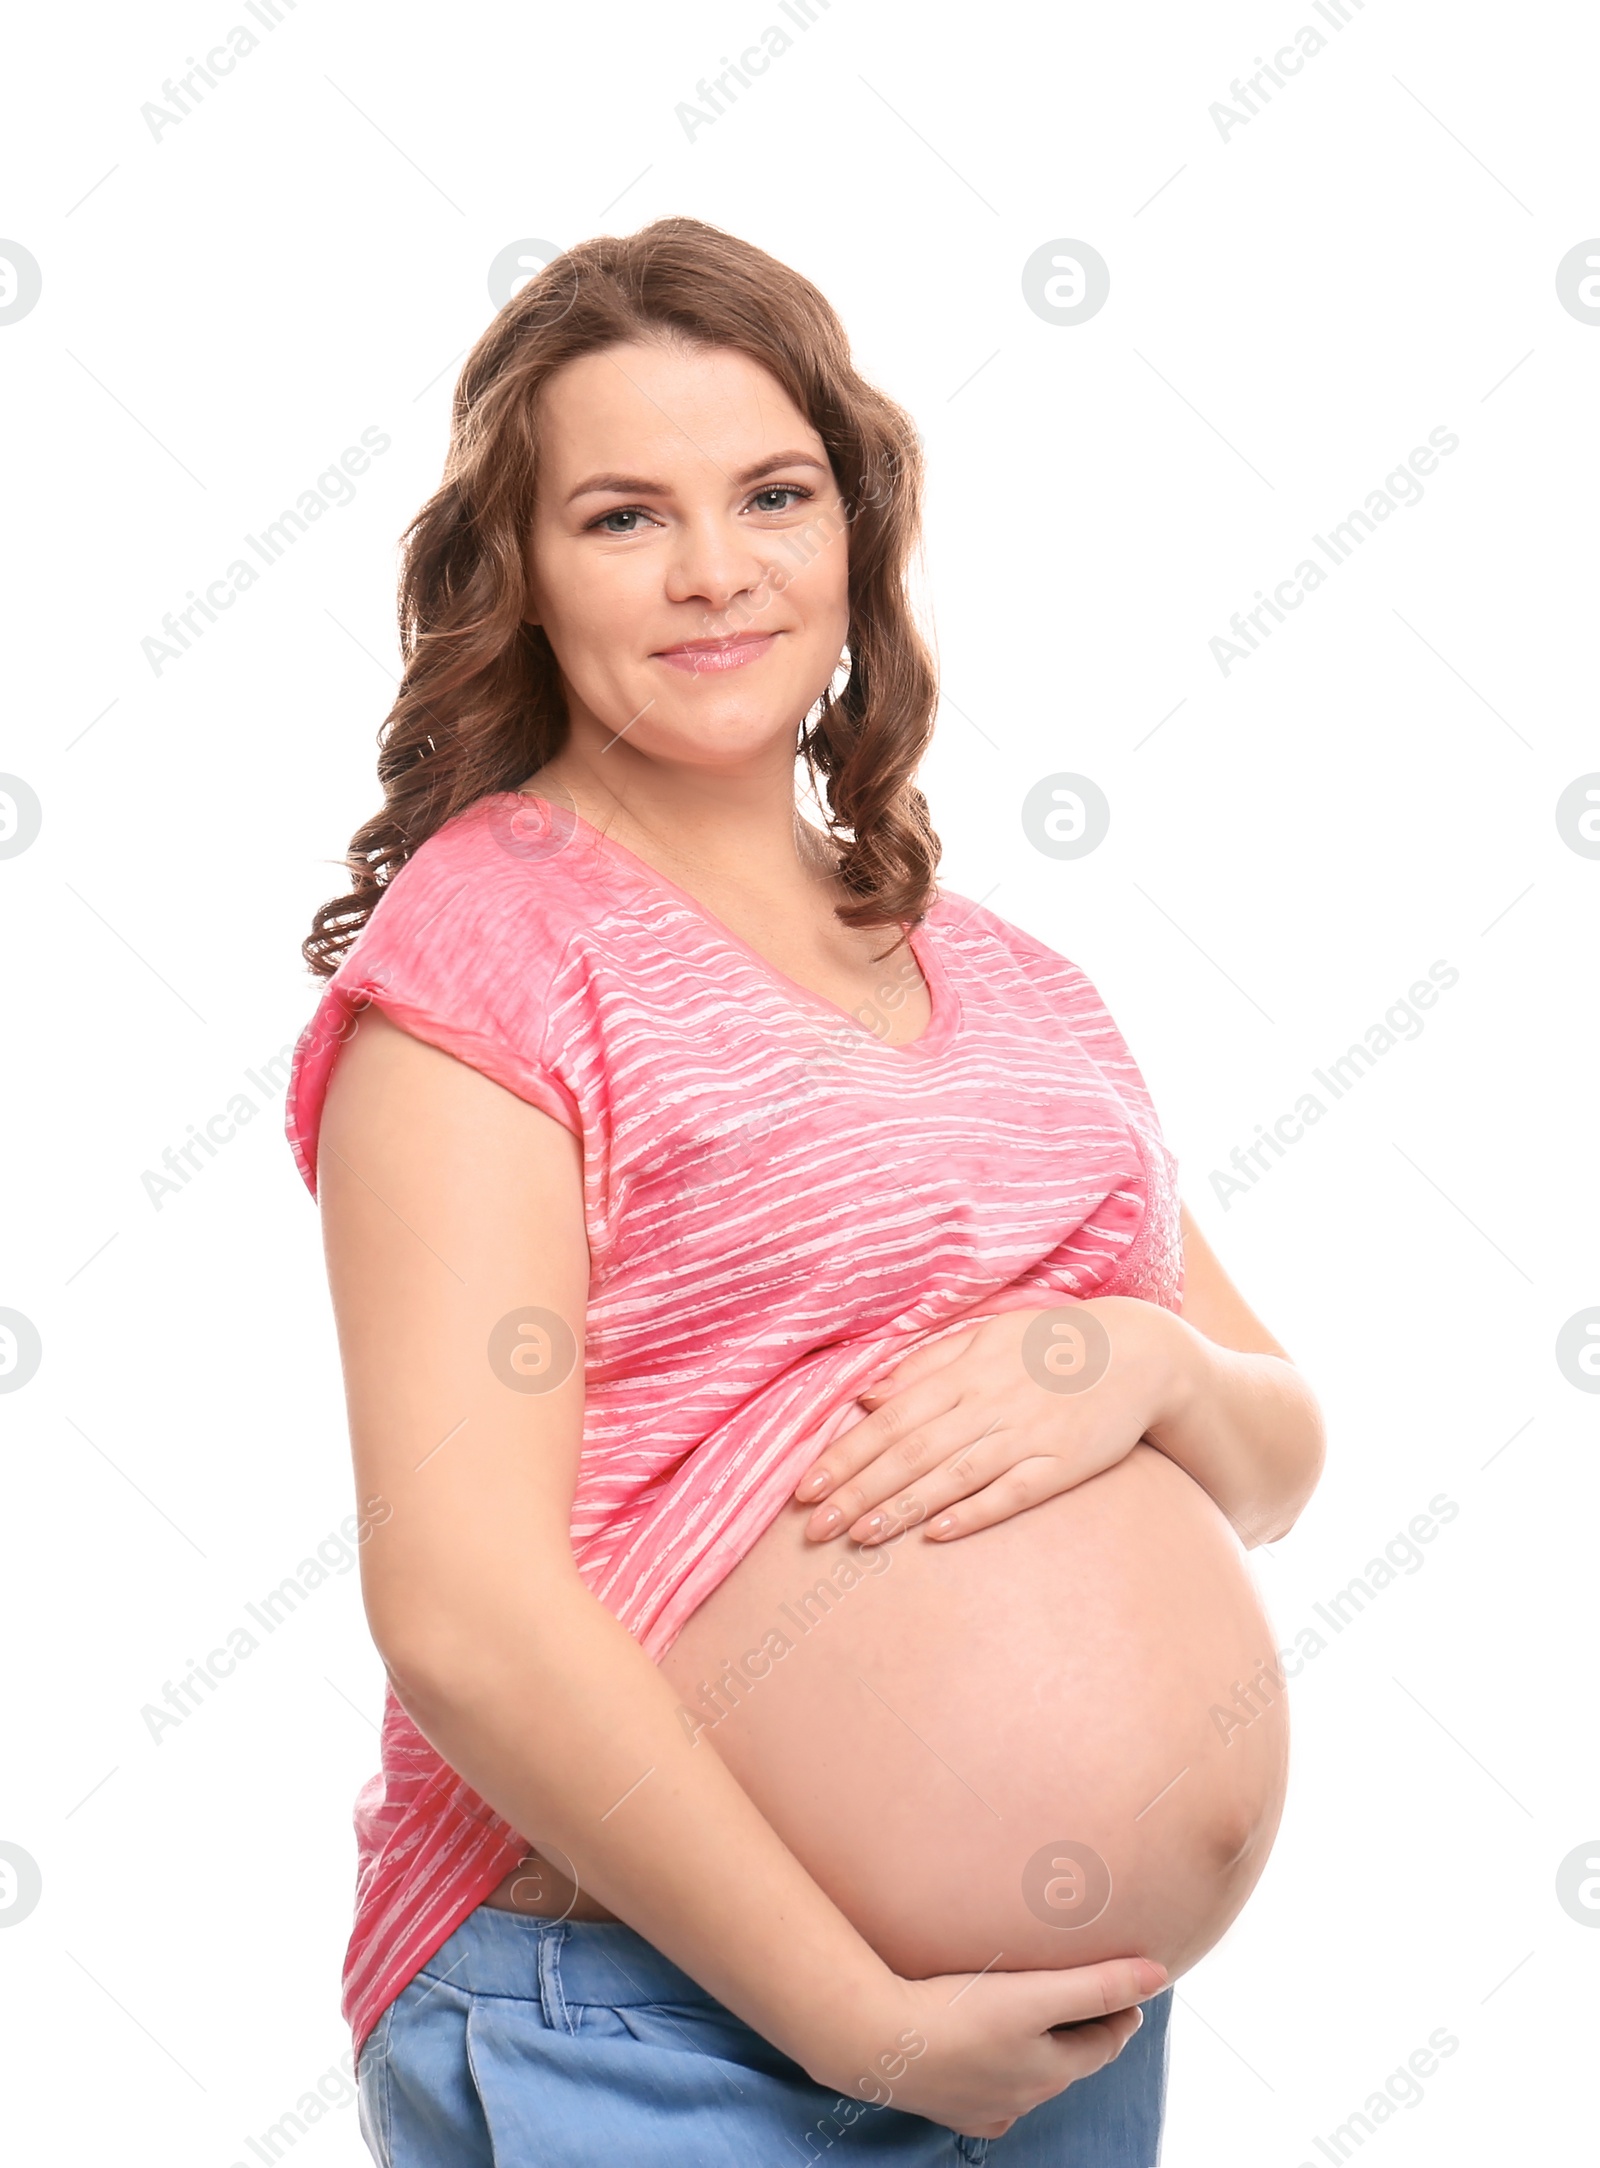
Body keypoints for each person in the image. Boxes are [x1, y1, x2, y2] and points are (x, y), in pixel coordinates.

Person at [288, 216, 1325, 2165]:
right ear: (516, 577)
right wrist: (855, 2023)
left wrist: (1137, 1360)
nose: (710, 570)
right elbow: (459, 1607)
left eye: (769, 493)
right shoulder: (494, 954)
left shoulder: (1008, 978)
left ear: (851, 531)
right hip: (660, 2027)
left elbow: (1274, 1446)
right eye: (619, 515)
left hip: (1053, 2042)